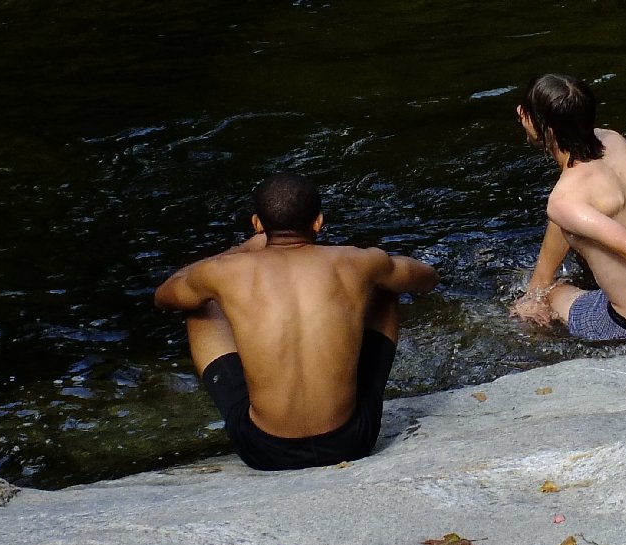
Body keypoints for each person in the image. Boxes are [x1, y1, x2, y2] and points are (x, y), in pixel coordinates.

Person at [154, 173, 437, 470]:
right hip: (352, 440)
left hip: (264, 450)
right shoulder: (357, 261)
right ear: (318, 222)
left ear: (257, 224)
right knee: (385, 285)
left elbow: (164, 296)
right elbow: (427, 278)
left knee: (199, 303)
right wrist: (370, 275)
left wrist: (242, 250)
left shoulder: (224, 271)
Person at [509, 73, 626, 343]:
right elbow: (566, 216)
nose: (520, 114)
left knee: (551, 295)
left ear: (547, 130)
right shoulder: (612, 140)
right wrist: (537, 284)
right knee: (553, 271)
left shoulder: (565, 199)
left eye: (526, 112)